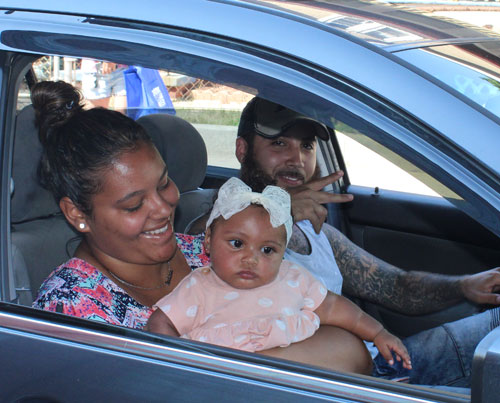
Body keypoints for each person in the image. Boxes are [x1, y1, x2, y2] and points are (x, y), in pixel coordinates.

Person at [30, 81, 372, 374]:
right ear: (77, 214)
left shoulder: (206, 250)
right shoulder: (69, 309)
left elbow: (326, 325)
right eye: (134, 204)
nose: (164, 209)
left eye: (164, 184)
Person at [232, 96, 500, 388]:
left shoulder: (316, 232)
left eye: (307, 146)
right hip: (340, 388)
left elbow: (396, 287)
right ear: (242, 150)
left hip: (384, 365)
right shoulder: (216, 230)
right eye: (280, 144)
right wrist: (276, 212)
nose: (297, 161)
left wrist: (464, 286)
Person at [148, 177, 412, 370]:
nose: (251, 258)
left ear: (283, 252)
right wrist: (181, 364)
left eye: (267, 249)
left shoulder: (292, 278)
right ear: (207, 241)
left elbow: (333, 306)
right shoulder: (199, 286)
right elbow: (161, 323)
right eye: (237, 244)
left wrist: (377, 333)